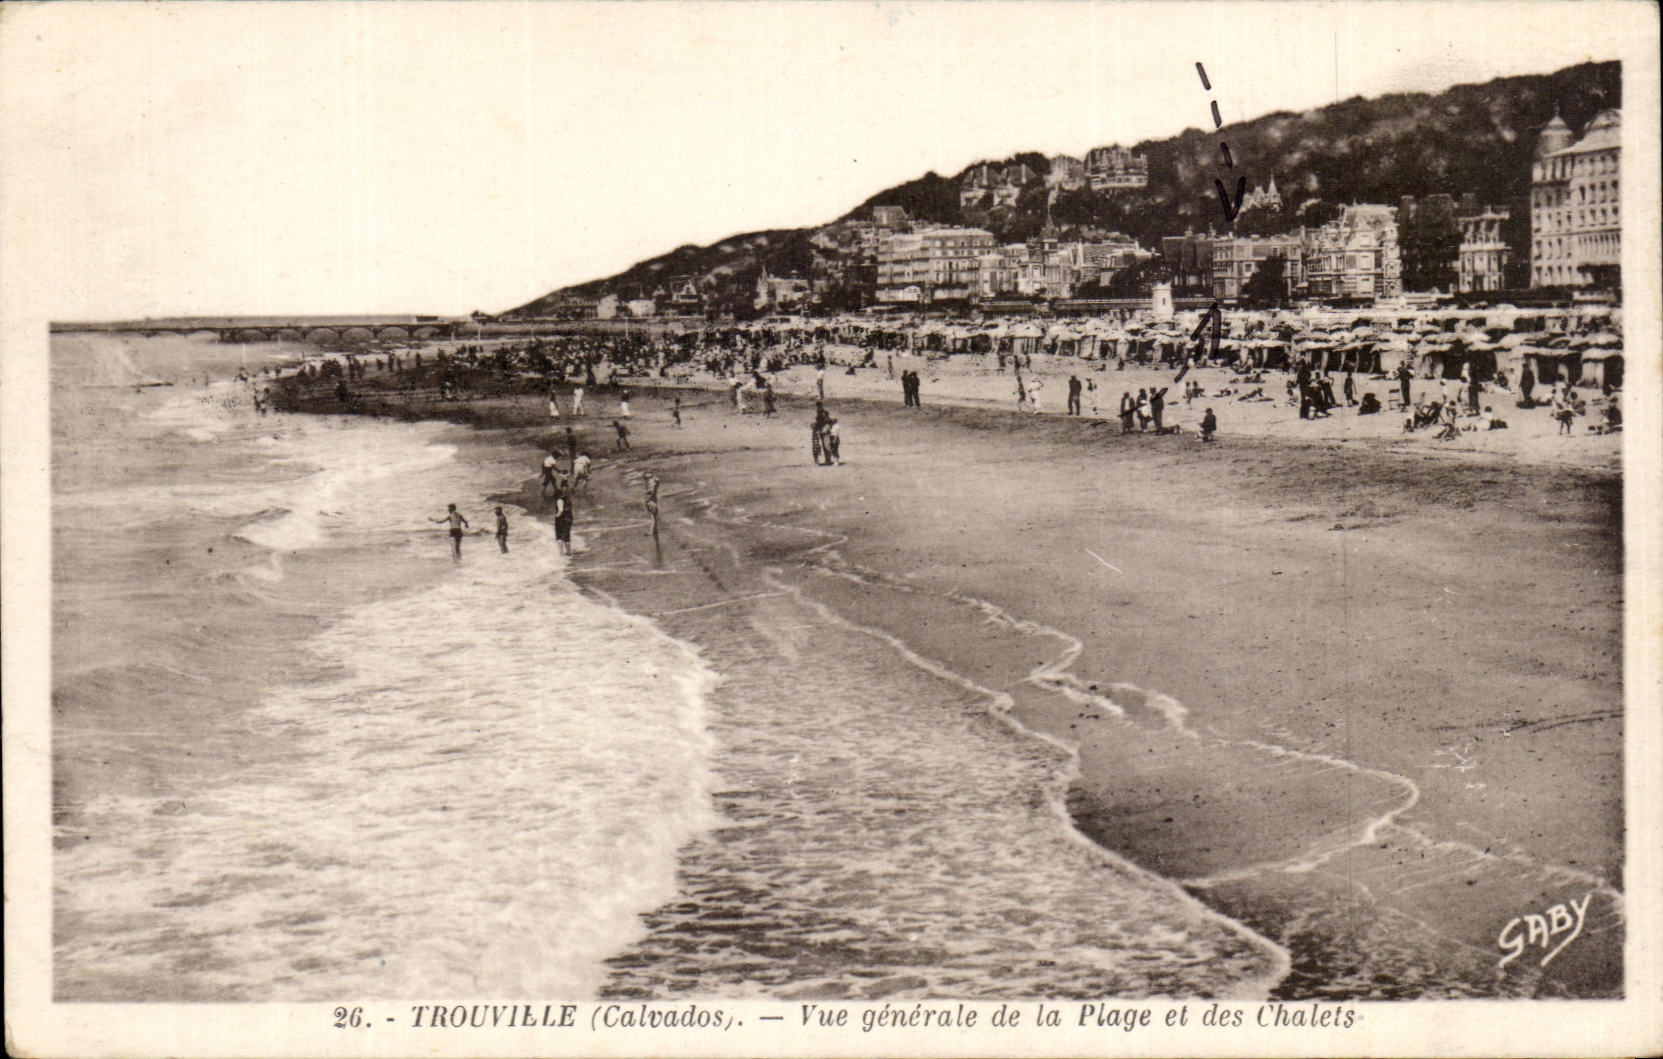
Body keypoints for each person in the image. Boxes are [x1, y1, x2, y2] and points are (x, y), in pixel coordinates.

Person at [553, 490, 573, 556]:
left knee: (559, 537)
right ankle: (568, 553)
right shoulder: (567, 500)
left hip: (561, 520)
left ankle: (561, 553)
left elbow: (561, 510)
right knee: (567, 536)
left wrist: (556, 516)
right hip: (569, 519)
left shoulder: (559, 500)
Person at [643, 472, 660, 539]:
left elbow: (651, 491)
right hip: (653, 501)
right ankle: (653, 531)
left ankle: (651, 532)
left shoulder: (651, 483)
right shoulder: (654, 483)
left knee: (652, 517)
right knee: (653, 517)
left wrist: (648, 498)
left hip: (651, 501)